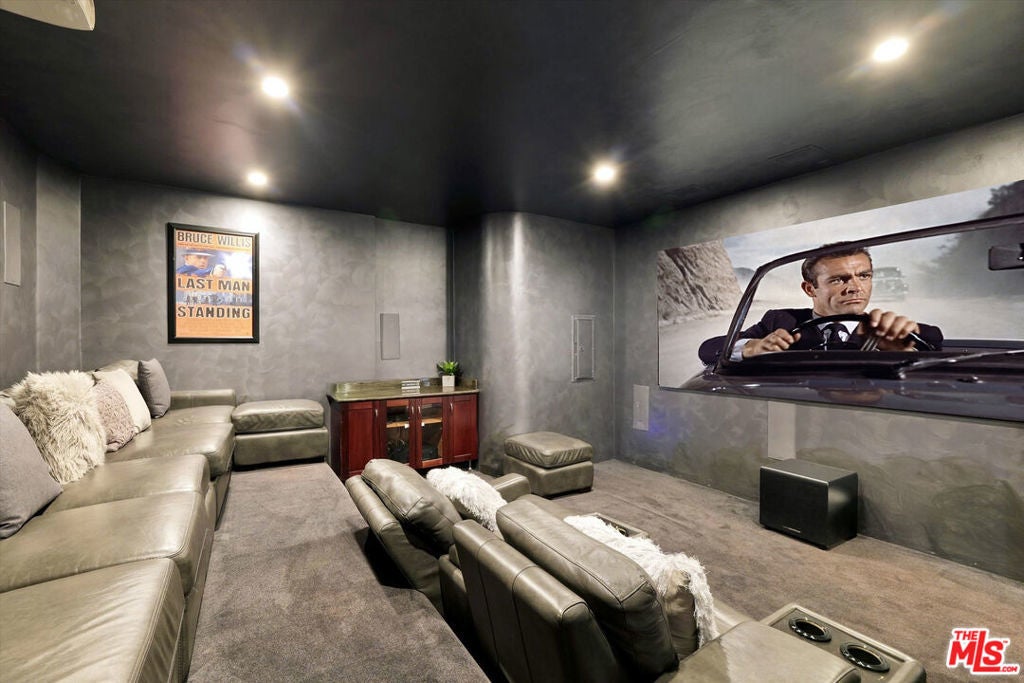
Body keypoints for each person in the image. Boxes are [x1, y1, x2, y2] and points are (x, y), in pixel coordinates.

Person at [698, 243, 943, 365]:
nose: (855, 287)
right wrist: (752, 347)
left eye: (864, 276)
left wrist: (902, 351)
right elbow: (709, 349)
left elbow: (934, 339)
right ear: (810, 289)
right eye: (838, 279)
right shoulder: (780, 321)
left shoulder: (885, 329)